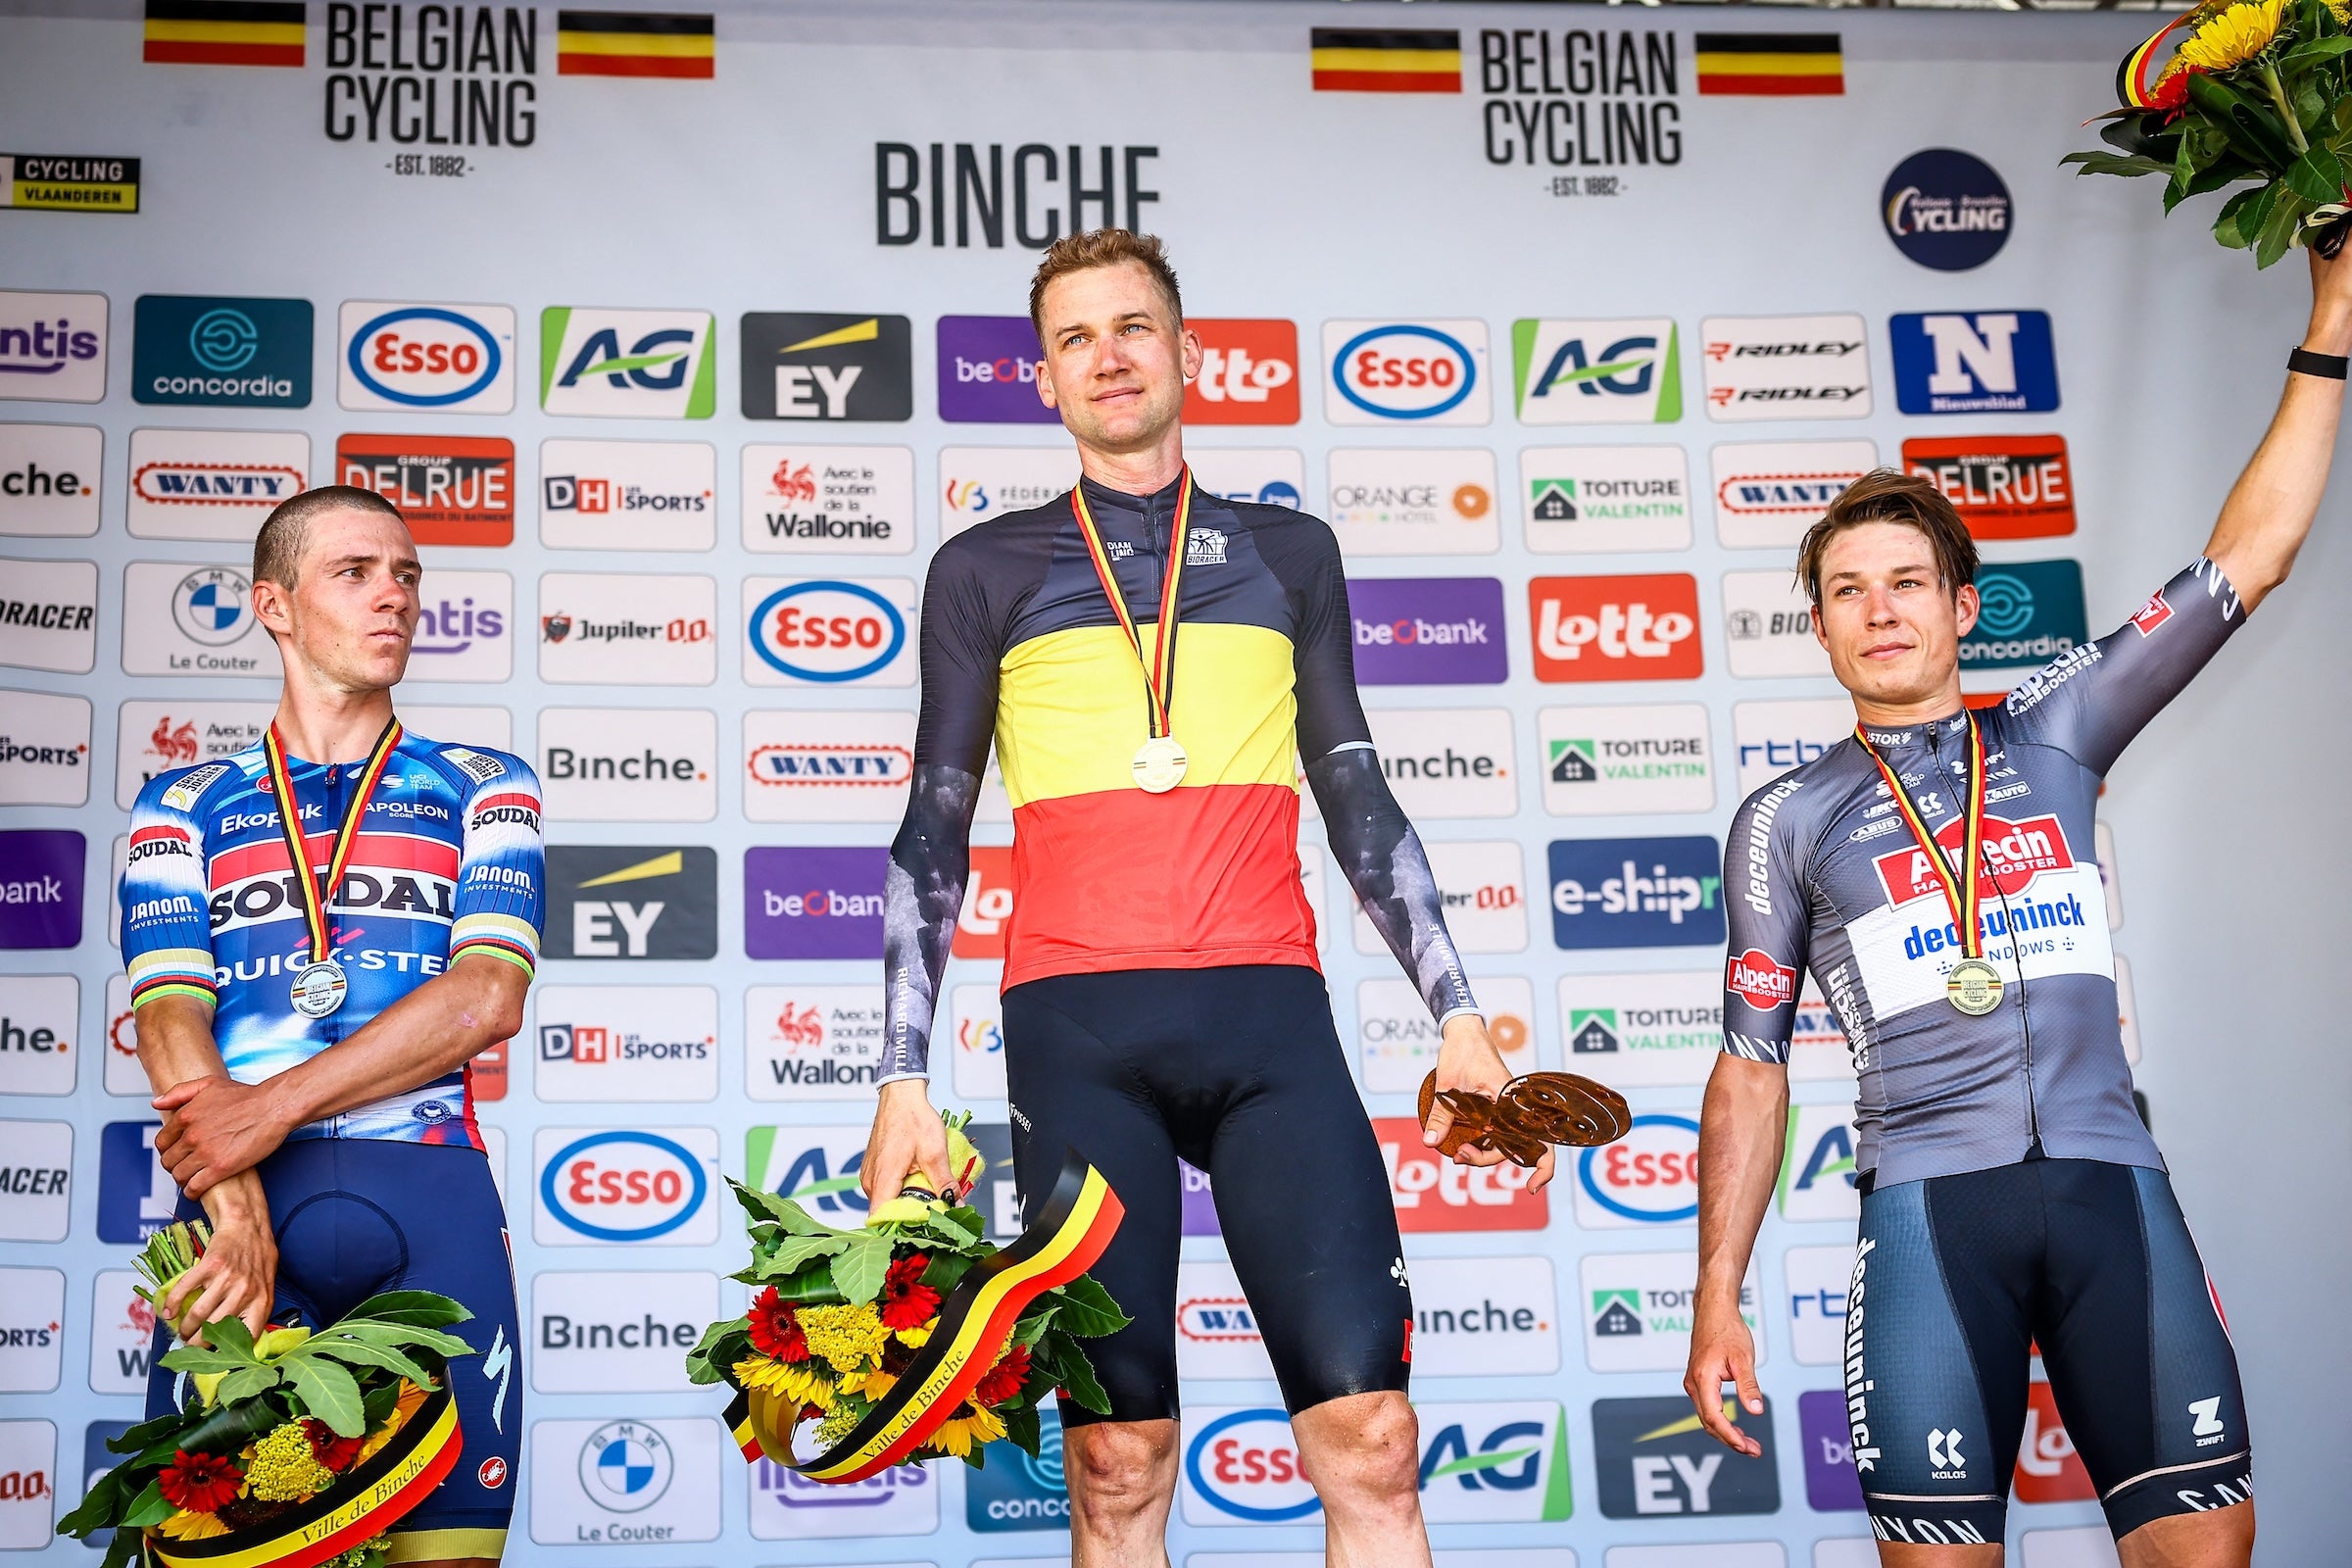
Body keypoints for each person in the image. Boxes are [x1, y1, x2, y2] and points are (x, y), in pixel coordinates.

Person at [857, 228, 1535, 1567]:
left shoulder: (1291, 552)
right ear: (1043, 379)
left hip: (1269, 1022)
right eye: (1075, 338)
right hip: (1077, 1032)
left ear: (1189, 352)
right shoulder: (983, 569)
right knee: (1116, 1465)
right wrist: (900, 1075)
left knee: (1374, 1440)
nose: (1108, 357)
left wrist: (1460, 1018)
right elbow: (933, 825)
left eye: (1133, 327)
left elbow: (1356, 792)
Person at [1683, 253, 2352, 1564]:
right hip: (1931, 1218)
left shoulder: (2054, 730)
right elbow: (1749, 1072)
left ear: (1963, 606)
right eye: (1848, 591)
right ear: (1819, 629)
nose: (1880, 611)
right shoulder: (1788, 817)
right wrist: (1717, 1297)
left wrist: (2331, 320)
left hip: (2114, 1194)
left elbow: (2250, 557)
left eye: (1907, 582)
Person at [120, 485, 545, 1567]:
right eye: (354, 572)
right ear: (273, 604)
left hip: (432, 1205)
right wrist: (232, 1198)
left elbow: (485, 996)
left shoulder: (485, 786)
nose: (392, 595)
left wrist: (263, 1114)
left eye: (405, 574)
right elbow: (167, 1010)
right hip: (238, 1219)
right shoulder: (183, 803)